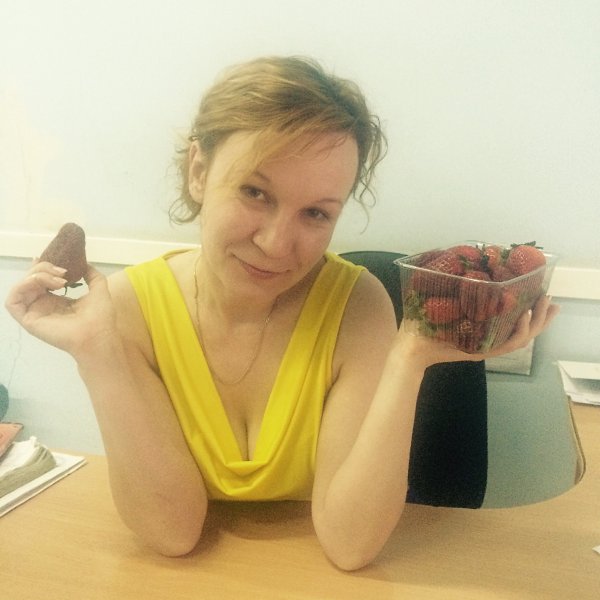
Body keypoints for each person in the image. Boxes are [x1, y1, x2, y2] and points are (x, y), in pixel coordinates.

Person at [4, 56, 559, 571]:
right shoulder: (128, 309)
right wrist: (97, 354)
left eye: (316, 213)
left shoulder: (356, 305)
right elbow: (171, 533)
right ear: (199, 171)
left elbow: (350, 545)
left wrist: (409, 358)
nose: (276, 244)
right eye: (255, 192)